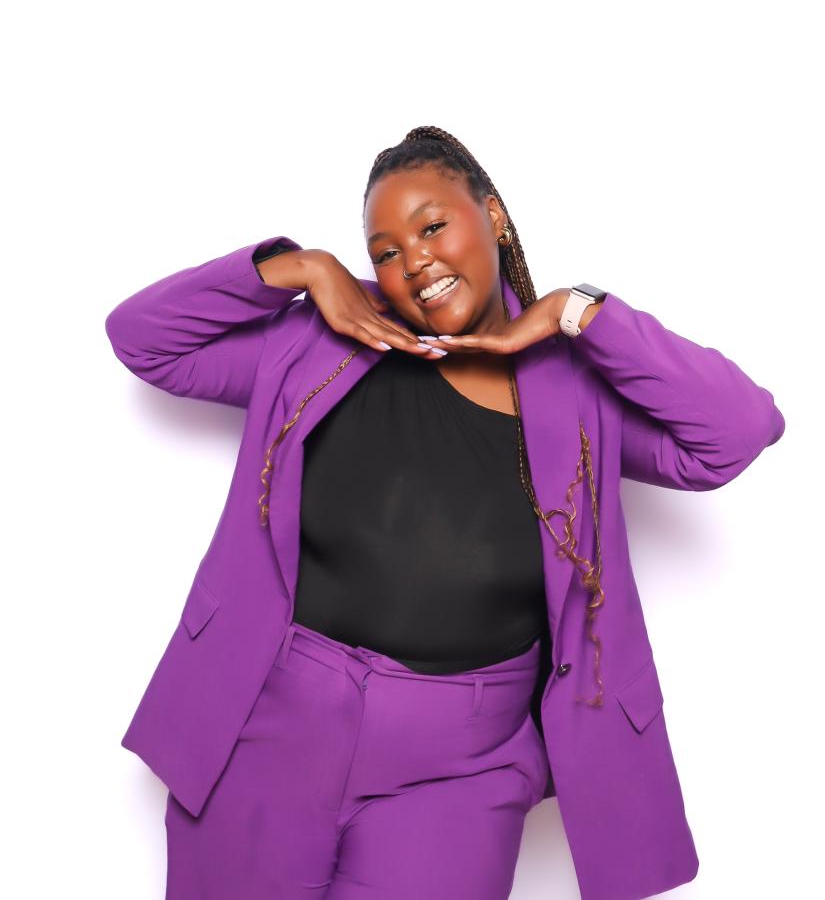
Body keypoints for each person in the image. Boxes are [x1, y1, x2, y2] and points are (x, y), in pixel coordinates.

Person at [105, 126, 785, 900]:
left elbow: (736, 431)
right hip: (271, 723)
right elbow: (144, 339)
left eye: (432, 226)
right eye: (385, 251)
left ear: (492, 216)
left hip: (462, 768)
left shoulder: (578, 390)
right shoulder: (323, 342)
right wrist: (299, 268)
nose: (413, 261)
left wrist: (576, 312)